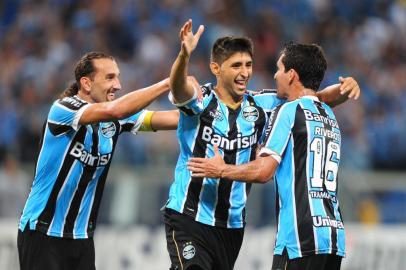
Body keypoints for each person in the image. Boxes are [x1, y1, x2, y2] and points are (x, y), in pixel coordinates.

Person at [163, 19, 359, 270]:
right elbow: (180, 90)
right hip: (189, 214)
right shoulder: (202, 99)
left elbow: (309, 96)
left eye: (248, 65)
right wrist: (183, 57)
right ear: (216, 68)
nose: (245, 72)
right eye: (236, 65)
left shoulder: (263, 105)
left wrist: (344, 90)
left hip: (231, 225)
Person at [17, 51, 180, 270]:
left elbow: (171, 119)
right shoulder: (63, 110)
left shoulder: (116, 120)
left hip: (82, 237)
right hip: (42, 232)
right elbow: (116, 109)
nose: (118, 85)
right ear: (86, 83)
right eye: (110, 77)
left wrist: (205, 106)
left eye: (118, 77)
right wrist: (168, 83)